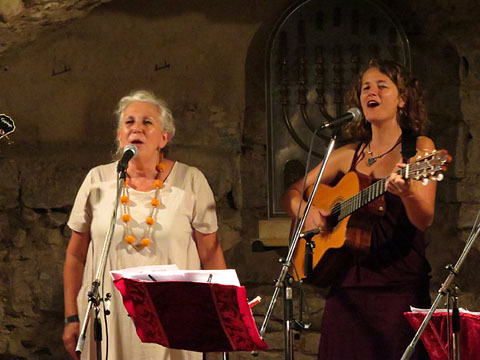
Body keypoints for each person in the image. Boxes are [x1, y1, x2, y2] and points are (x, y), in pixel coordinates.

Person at [280, 59, 436, 359]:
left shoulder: (418, 149)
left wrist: (406, 194)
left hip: (399, 288)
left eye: (381, 86)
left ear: (402, 99)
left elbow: (424, 218)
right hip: (347, 287)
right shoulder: (348, 154)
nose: (370, 92)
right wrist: (304, 210)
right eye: (365, 87)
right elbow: (292, 192)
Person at [62, 90, 227, 359]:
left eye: (147, 122)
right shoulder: (98, 180)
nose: (136, 128)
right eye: (129, 122)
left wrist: (224, 316)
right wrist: (71, 317)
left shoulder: (191, 180)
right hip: (109, 315)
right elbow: (75, 255)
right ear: (119, 135)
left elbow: (210, 253)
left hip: (174, 316)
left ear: (164, 138)